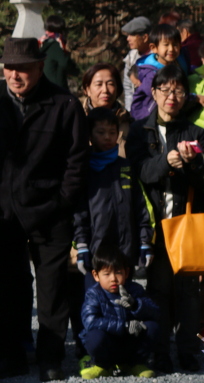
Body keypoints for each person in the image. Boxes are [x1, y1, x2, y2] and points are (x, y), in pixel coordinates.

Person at [0, 38, 90, 381]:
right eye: (9, 67)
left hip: (50, 210)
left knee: (52, 290)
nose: (14, 75)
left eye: (22, 68)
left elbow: (76, 160)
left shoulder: (64, 104)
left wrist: (62, 201)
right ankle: (11, 355)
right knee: (8, 287)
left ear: (40, 67)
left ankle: (50, 356)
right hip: (5, 213)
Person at [127, 63, 204, 374]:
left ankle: (188, 352)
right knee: (158, 291)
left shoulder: (196, 132)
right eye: (165, 90)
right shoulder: (139, 131)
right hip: (155, 226)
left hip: (186, 226)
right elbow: (142, 172)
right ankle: (158, 352)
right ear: (154, 93)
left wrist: (191, 164)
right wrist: (167, 160)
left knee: (189, 293)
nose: (171, 96)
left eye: (177, 90)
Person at [74, 107, 153, 291]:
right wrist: (82, 244)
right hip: (95, 252)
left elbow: (141, 207)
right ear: (90, 135)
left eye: (112, 132)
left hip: (125, 251)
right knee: (95, 304)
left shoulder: (126, 167)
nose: (107, 137)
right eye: (101, 132)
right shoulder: (84, 170)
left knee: (124, 301)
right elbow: (79, 211)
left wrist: (144, 241)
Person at [79, 245, 160, 380]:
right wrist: (124, 326)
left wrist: (135, 305)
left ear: (126, 273)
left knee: (153, 327)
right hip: (108, 343)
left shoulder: (134, 290)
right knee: (94, 337)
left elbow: (156, 312)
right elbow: (90, 321)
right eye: (107, 274)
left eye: (118, 272)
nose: (113, 279)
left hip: (129, 344)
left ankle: (136, 363)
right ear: (96, 275)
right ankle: (101, 365)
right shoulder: (93, 294)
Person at [130, 23, 185, 121]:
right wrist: (193, 97)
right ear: (153, 48)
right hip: (147, 116)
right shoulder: (151, 71)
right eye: (166, 45)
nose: (171, 49)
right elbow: (153, 92)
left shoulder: (178, 63)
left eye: (175, 45)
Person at [80, 63, 132, 154]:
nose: (105, 90)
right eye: (99, 84)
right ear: (87, 89)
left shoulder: (128, 121)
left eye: (110, 84)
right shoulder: (77, 119)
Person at [121, 16, 153, 113]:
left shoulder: (158, 57)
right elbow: (128, 89)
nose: (128, 39)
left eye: (132, 35)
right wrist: (130, 111)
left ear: (145, 37)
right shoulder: (131, 58)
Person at [38, 15, 76, 90]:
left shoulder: (42, 42)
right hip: (56, 88)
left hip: (42, 86)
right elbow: (64, 63)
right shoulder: (57, 44)